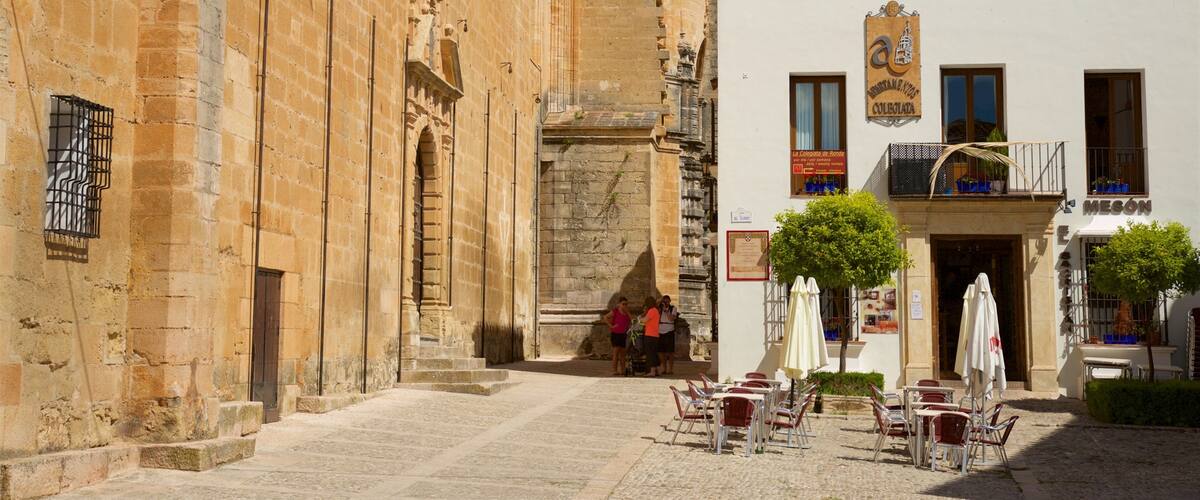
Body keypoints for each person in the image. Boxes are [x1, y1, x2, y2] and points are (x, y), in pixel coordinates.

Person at [602, 297, 631, 376]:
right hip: (616, 334)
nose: (625, 305)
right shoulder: (615, 311)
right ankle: (614, 370)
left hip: (623, 334)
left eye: (626, 304)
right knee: (616, 353)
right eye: (623, 304)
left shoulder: (627, 312)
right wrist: (611, 326)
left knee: (623, 354)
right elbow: (605, 317)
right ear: (619, 304)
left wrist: (627, 312)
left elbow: (631, 320)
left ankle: (623, 370)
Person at [640, 296, 662, 377]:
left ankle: (652, 371)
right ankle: (658, 370)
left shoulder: (652, 310)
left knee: (650, 353)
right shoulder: (656, 310)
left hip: (650, 335)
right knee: (654, 353)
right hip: (655, 335)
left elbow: (645, 320)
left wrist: (640, 319)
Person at [658, 295, 679, 375]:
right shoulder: (659, 308)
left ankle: (670, 369)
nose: (666, 303)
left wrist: (666, 311)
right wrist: (660, 305)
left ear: (669, 301)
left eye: (667, 301)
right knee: (661, 351)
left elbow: (671, 319)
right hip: (660, 330)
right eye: (664, 301)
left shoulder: (673, 308)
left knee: (670, 351)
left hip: (669, 330)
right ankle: (664, 368)